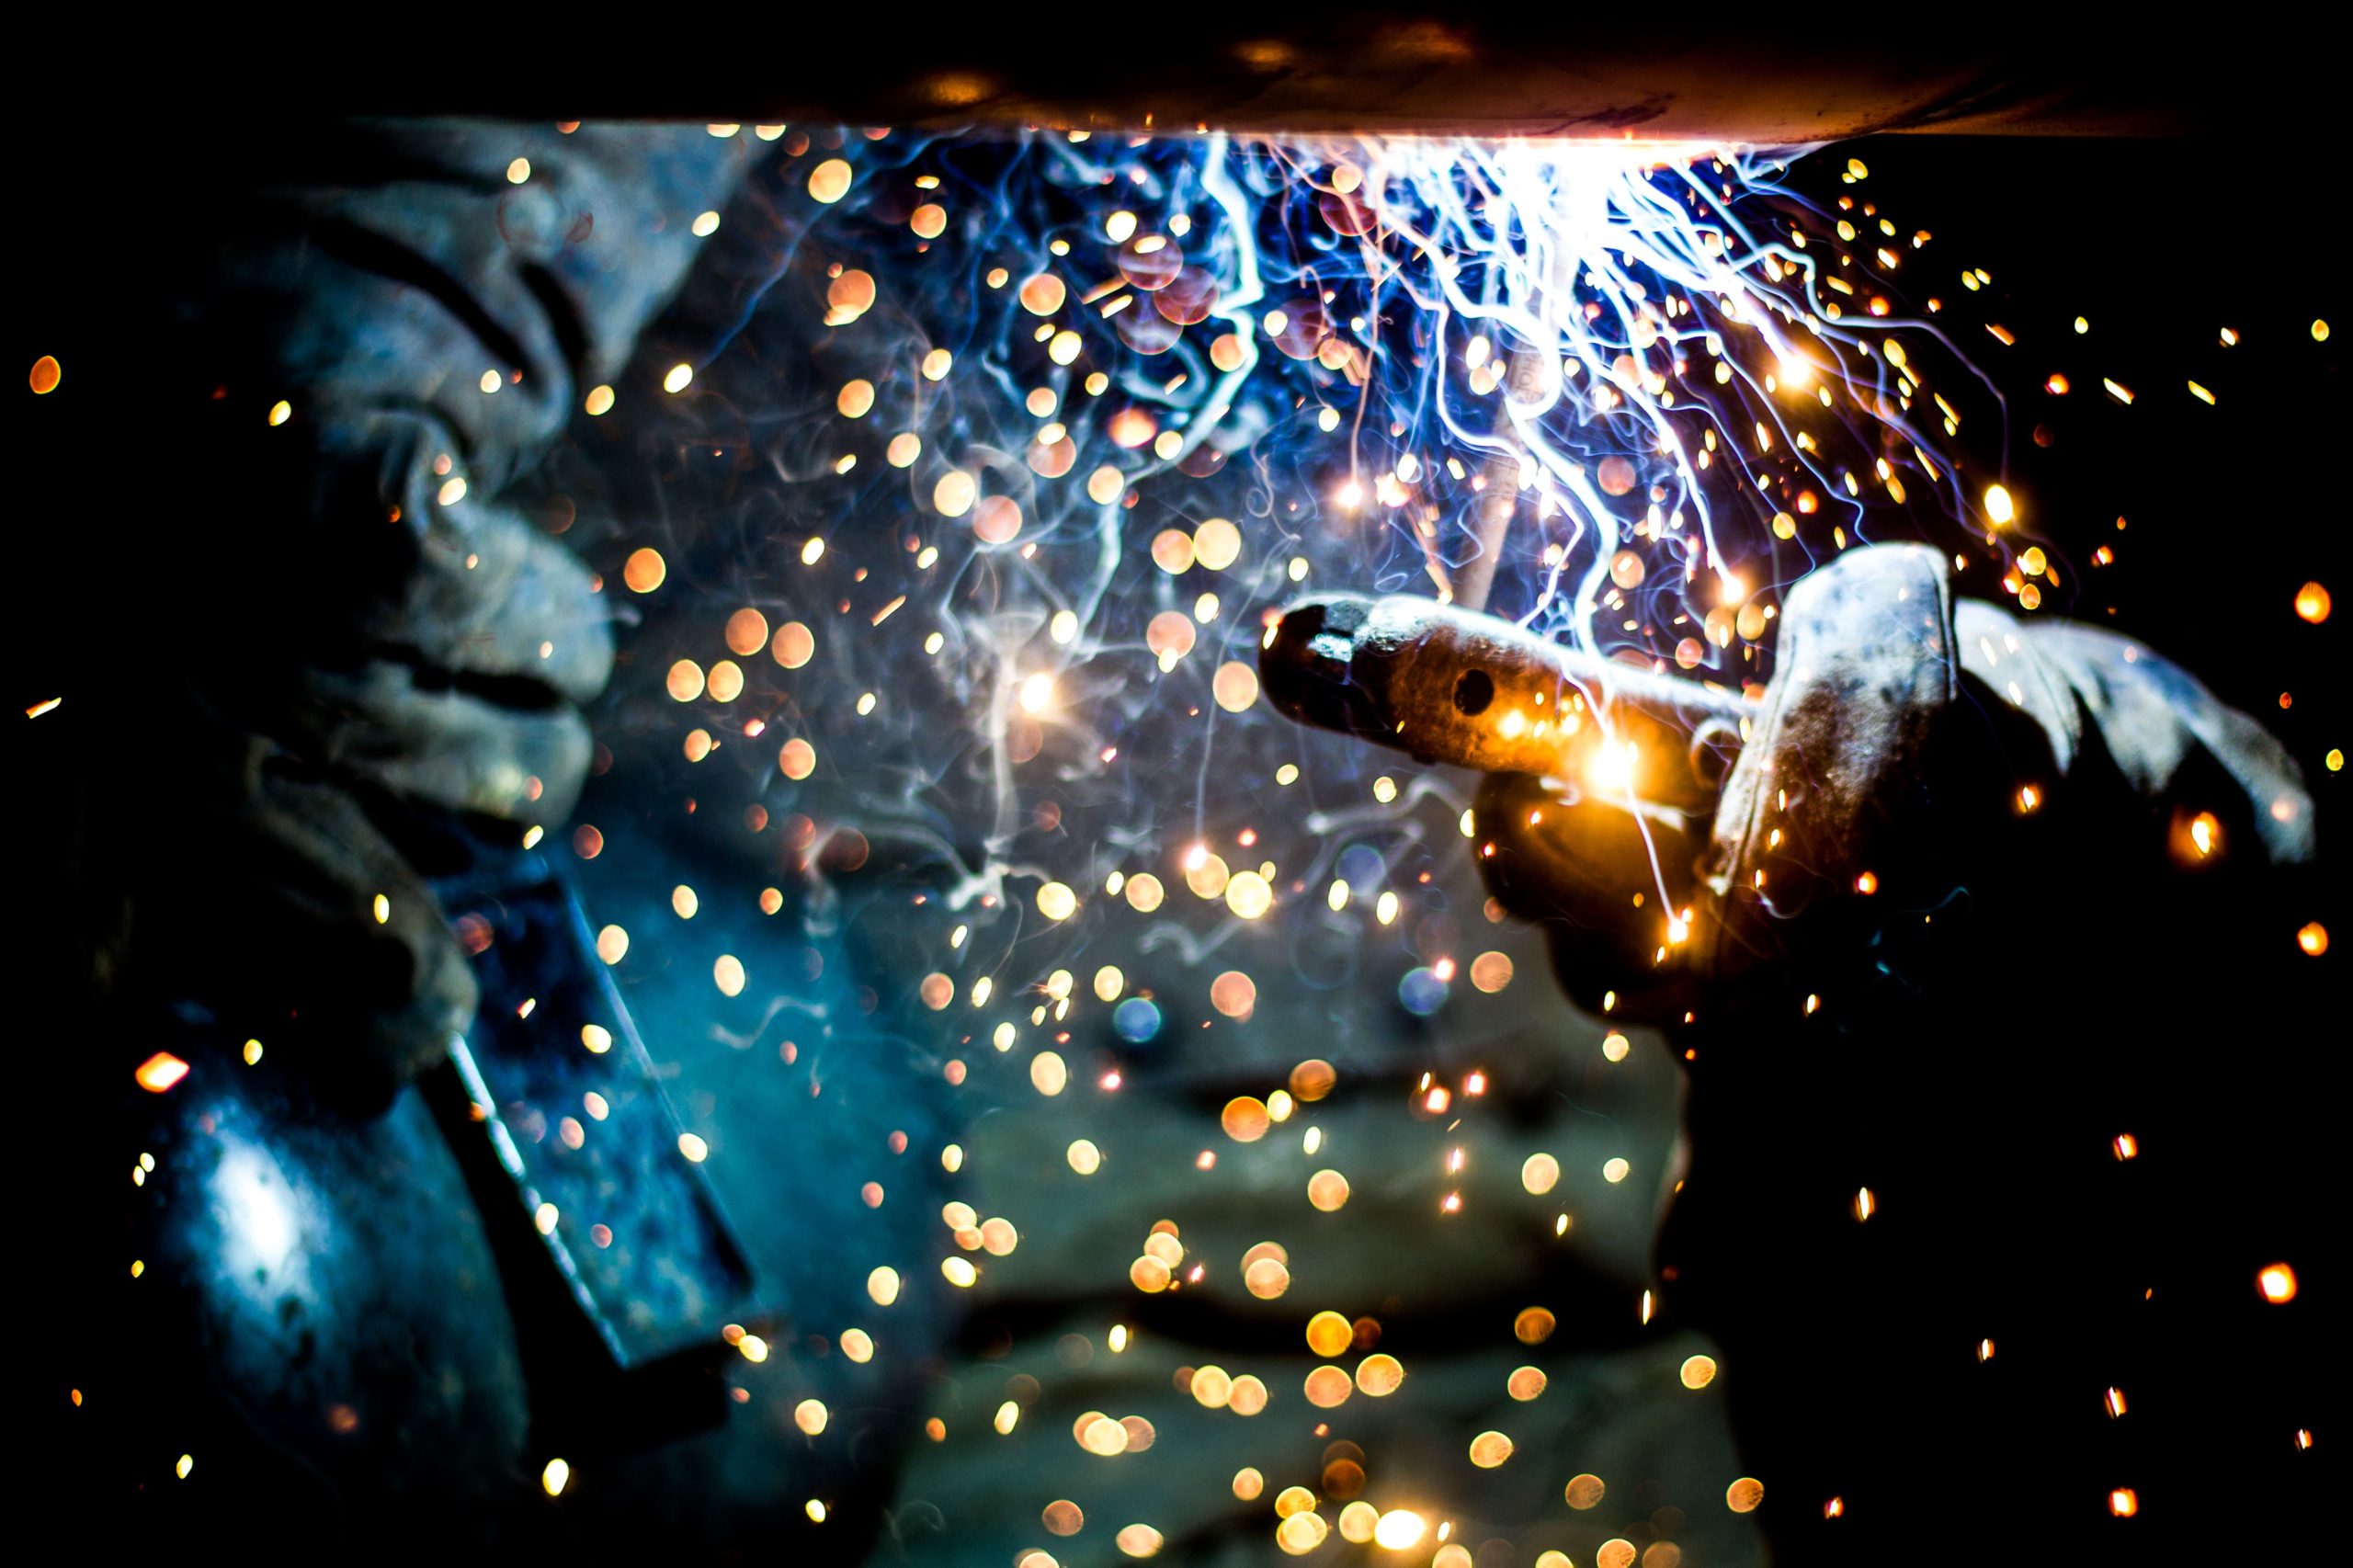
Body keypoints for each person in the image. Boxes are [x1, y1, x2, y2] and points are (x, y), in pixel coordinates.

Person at [26, 116, 2330, 1562]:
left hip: (1620, 1441)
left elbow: (2283, 929)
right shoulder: (856, 404)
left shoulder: (1751, 377)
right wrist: (381, 253)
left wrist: (2071, 789)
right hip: (900, 1363)